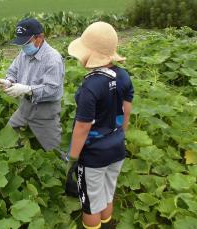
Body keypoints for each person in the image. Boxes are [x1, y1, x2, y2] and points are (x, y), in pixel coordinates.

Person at [66, 22, 134, 229]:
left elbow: (83, 127)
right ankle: (107, 224)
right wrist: (120, 133)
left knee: (90, 204)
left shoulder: (90, 86)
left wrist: (73, 156)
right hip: (117, 148)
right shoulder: (123, 75)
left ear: (89, 54)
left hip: (94, 155)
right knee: (107, 193)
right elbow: (127, 109)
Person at [0, 18, 64, 151]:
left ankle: (72, 168)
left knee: (55, 150)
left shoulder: (53, 58)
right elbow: (13, 71)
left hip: (45, 110)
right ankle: (17, 160)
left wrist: (28, 89)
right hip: (25, 107)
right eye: (21, 43)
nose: (24, 47)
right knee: (8, 135)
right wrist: (9, 81)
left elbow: (53, 89)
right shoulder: (24, 53)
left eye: (27, 42)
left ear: (40, 38)